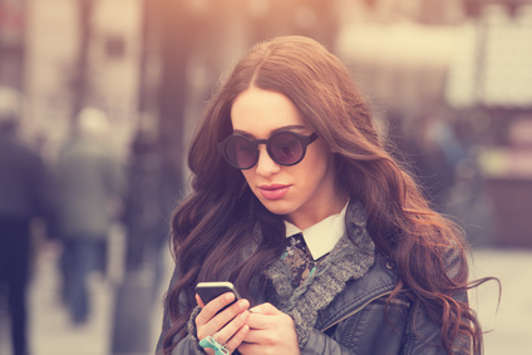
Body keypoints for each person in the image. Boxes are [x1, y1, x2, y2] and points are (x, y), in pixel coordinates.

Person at [156, 36, 493, 355]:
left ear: (332, 135)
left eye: (285, 146)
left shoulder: (422, 253)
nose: (264, 168)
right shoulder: (210, 239)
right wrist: (202, 348)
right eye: (244, 149)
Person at [54, 107, 124, 325]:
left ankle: (72, 302)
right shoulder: (105, 155)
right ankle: (79, 311)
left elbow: (55, 184)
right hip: (94, 221)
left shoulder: (66, 153)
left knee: (72, 263)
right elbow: (118, 186)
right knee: (84, 267)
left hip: (66, 219)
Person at [0, 87, 54, 355]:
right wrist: (51, 231)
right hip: (18, 231)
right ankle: (19, 348)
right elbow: (43, 196)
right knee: (18, 294)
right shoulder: (29, 155)